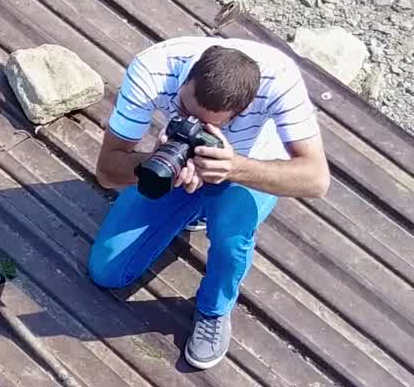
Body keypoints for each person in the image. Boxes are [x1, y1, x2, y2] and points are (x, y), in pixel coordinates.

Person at [88, 38, 330, 369]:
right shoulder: (153, 70)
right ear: (185, 79)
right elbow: (106, 172)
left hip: (247, 167)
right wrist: (160, 159)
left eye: (211, 126)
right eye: (184, 112)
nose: (194, 126)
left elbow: (316, 180)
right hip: (176, 168)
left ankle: (214, 308)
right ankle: (191, 208)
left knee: (230, 234)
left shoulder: (279, 79)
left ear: (242, 111)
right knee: (107, 271)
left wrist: (233, 168)